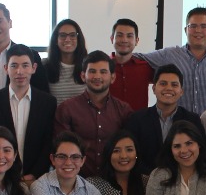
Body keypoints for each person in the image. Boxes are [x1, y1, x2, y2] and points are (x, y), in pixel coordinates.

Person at [0, 44, 58, 182]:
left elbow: (48, 142)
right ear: (6, 68)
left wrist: (34, 174)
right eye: (14, 65)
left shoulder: (48, 102)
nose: (19, 71)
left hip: (35, 179)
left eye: (25, 65)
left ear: (34, 68)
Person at [141, 7, 206, 114]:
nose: (198, 30)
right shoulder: (169, 55)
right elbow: (135, 58)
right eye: (193, 26)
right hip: (179, 127)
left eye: (204, 26)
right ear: (186, 30)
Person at [53, 50, 133, 178]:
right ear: (83, 76)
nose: (97, 76)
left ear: (113, 77)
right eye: (92, 71)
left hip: (113, 181)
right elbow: (62, 150)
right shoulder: (67, 109)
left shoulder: (123, 110)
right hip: (76, 182)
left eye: (103, 72)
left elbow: (129, 150)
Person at [124, 64, 201, 174]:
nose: (169, 88)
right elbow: (130, 154)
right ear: (154, 89)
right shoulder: (137, 120)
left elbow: (201, 153)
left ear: (181, 91)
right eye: (163, 84)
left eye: (174, 85)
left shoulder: (192, 120)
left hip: (184, 181)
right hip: (145, 181)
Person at [109, 18, 154, 111]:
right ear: (112, 39)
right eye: (119, 35)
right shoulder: (102, 67)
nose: (124, 40)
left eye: (129, 36)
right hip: (109, 123)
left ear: (137, 40)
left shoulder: (146, 67)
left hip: (138, 124)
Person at [47, 18, 89, 104]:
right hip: (54, 117)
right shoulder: (46, 66)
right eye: (62, 35)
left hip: (81, 117)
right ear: (56, 39)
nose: (67, 39)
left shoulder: (88, 66)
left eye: (72, 35)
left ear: (78, 39)